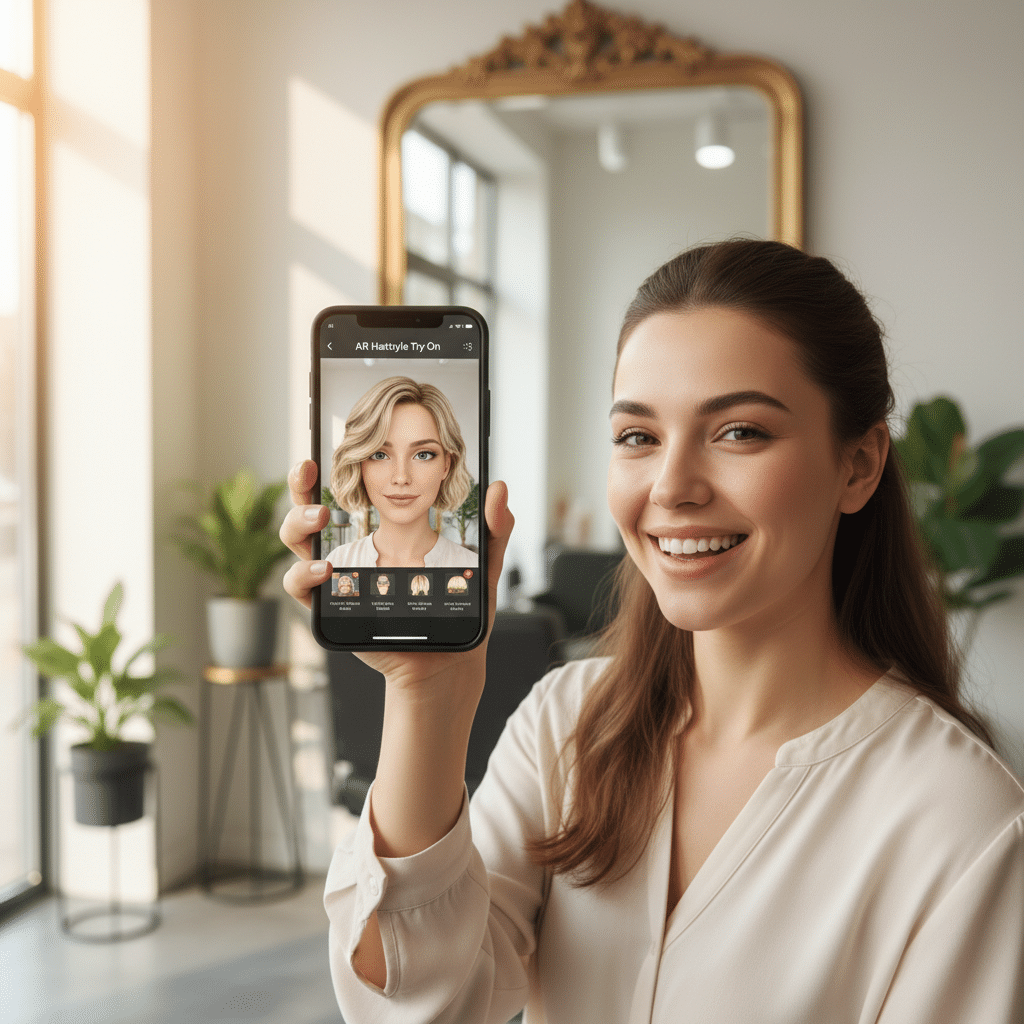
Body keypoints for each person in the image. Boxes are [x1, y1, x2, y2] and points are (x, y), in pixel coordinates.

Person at [281, 240, 1024, 1023]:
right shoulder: (564, 725)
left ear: (859, 465)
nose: (671, 487)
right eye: (639, 437)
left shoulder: (961, 822)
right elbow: (419, 1003)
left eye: (739, 432)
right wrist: (425, 689)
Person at [325, 376, 478, 568]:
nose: (401, 478)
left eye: (423, 455)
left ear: (446, 465)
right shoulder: (337, 564)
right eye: (379, 455)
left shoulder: (472, 567)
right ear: (359, 464)